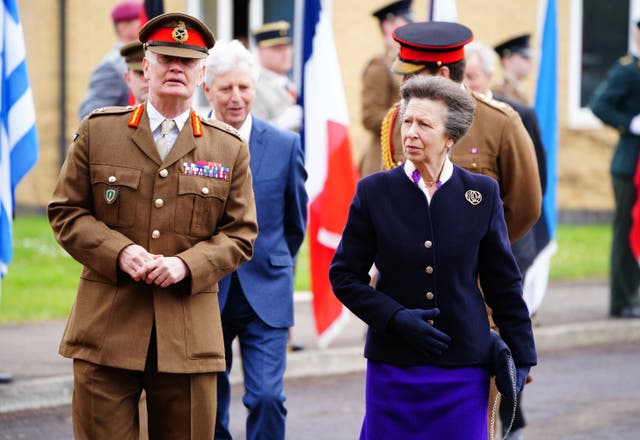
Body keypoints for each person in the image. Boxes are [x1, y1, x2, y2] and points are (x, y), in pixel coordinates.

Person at [48, 13, 258, 439]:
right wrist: (119, 252)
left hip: (186, 338)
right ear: (146, 66)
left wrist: (187, 265)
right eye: (165, 59)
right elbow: (66, 212)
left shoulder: (227, 147)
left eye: (187, 61)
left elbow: (240, 233)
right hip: (105, 330)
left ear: (202, 75)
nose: (175, 68)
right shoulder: (99, 131)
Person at [330, 75, 537, 439]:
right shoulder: (374, 191)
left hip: (464, 366)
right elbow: (344, 275)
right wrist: (393, 317)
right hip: (393, 366)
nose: (410, 132)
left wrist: (522, 354)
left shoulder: (481, 194)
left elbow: (503, 281)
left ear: (450, 137)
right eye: (407, 120)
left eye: (424, 124)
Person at [202, 40, 308, 440]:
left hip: (267, 290)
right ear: (207, 90)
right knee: (208, 402)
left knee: (266, 397)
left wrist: (274, 260)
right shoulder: (192, 145)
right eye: (226, 88)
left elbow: (295, 223)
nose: (236, 97)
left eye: (244, 87)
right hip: (208, 292)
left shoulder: (284, 146)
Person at [381, 21, 541, 243]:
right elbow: (386, 198)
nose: (403, 83)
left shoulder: (500, 123)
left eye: (412, 75)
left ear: (443, 74)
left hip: (471, 274)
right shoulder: (398, 119)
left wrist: (482, 251)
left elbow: (525, 206)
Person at [464, 40, 548, 440]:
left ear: (488, 77)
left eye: (473, 77)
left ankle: (510, 413)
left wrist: (498, 239)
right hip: (460, 265)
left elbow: (533, 185)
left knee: (508, 331)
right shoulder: (446, 122)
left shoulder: (513, 117)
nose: (467, 84)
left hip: (511, 246)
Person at [590, 21, 640, 319]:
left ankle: (633, 294)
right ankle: (621, 301)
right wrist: (629, 123)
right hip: (629, 164)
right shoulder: (627, 69)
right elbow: (600, 105)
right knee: (626, 230)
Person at [359, 0, 414, 177]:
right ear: (387, 26)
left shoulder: (413, 64)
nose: (410, 28)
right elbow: (370, 116)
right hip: (385, 161)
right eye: (404, 23)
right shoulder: (380, 65)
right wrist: (411, 115)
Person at [78, 1, 143, 119]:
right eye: (142, 21)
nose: (147, 25)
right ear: (123, 28)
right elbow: (91, 116)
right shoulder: (112, 67)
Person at [251, 21, 302, 132]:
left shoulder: (291, 84)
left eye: (287, 47)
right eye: (278, 49)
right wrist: (281, 123)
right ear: (260, 51)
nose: (286, 53)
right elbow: (254, 132)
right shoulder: (253, 87)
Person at [492, 33, 533, 105]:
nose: (529, 62)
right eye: (524, 57)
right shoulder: (499, 93)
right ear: (507, 60)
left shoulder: (519, 92)